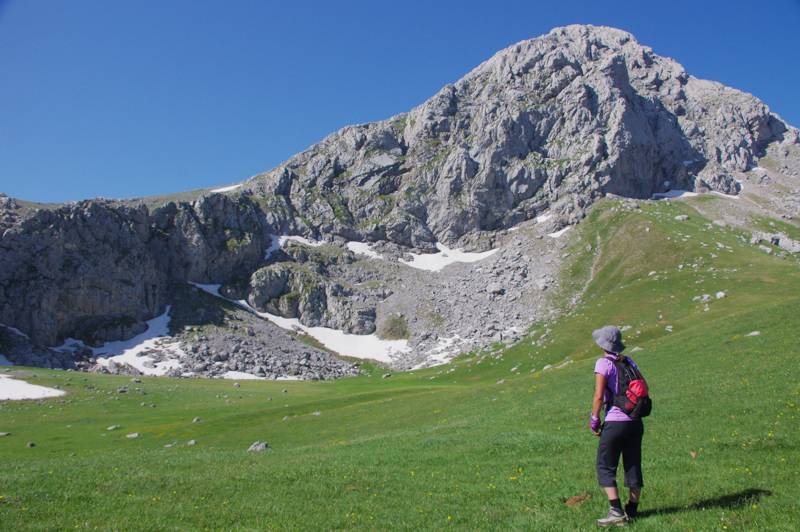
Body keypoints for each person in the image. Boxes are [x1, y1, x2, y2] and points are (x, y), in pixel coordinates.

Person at [589, 325, 645, 527]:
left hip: (615, 422)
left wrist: (594, 420)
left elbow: (598, 395)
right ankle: (632, 510)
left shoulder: (603, 363)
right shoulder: (629, 361)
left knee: (605, 466)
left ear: (602, 344)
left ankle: (616, 512)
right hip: (635, 421)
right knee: (632, 465)